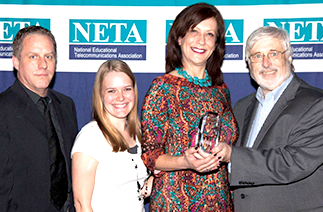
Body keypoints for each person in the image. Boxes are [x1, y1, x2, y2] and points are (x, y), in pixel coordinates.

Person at [213, 26, 323, 212]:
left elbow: (293, 162)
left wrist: (231, 156)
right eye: (257, 56)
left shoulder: (316, 104)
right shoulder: (242, 106)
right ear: (249, 64)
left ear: (289, 57)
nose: (265, 63)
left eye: (273, 53)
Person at [141, 3, 238, 211]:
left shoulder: (221, 91)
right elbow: (151, 155)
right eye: (194, 30)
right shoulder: (162, 88)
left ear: (216, 44)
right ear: (179, 37)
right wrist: (185, 161)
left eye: (210, 34)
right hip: (175, 201)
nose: (201, 41)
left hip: (219, 201)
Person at [0, 26, 78, 212]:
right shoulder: (3, 109)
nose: (43, 64)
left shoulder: (66, 105)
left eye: (48, 56)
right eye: (33, 56)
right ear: (16, 62)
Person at [71, 59, 153, 212]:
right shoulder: (90, 137)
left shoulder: (138, 133)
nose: (120, 97)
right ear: (100, 95)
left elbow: (136, 190)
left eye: (126, 89)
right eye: (111, 91)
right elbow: (82, 205)